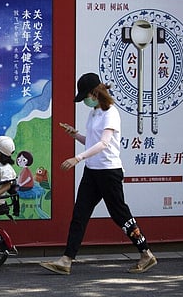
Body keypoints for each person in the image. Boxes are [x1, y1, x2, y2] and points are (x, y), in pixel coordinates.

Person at [40, 72, 157, 275]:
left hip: (109, 172)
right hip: (92, 172)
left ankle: (146, 253)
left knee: (120, 215)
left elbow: (104, 144)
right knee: (80, 214)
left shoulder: (110, 112)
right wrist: (75, 134)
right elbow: (93, 142)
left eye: (85, 95)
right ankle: (66, 260)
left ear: (94, 93)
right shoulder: (94, 112)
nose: (84, 100)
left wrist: (77, 158)